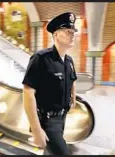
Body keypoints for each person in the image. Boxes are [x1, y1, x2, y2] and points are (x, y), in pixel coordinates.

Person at [22, 12, 78, 155]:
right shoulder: (41, 59)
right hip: (47, 121)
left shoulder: (69, 61)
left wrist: (73, 96)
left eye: (73, 32)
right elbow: (28, 93)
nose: (73, 35)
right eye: (68, 32)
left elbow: (72, 80)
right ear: (56, 35)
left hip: (62, 117)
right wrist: (36, 130)